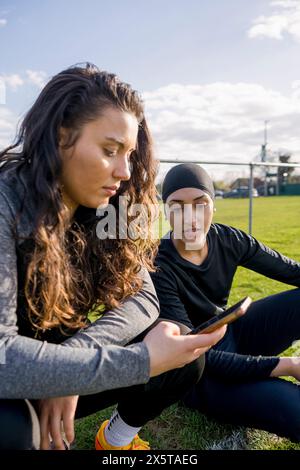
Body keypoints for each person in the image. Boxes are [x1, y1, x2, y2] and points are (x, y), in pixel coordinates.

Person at [0, 66, 226, 450]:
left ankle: (115, 439)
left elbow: (143, 297)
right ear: (61, 138)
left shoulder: (110, 208)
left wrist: (68, 371)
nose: (123, 171)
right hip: (11, 381)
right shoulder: (7, 204)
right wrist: (136, 362)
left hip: (57, 362)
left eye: (129, 154)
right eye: (109, 151)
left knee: (183, 351)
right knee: (12, 431)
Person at [151, 163, 300, 443]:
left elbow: (292, 272)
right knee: (293, 407)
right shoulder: (158, 266)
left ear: (213, 206)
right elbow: (192, 354)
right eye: (177, 205)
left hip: (231, 335)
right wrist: (288, 365)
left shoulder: (229, 239)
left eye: (200, 203)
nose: (190, 216)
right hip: (199, 373)